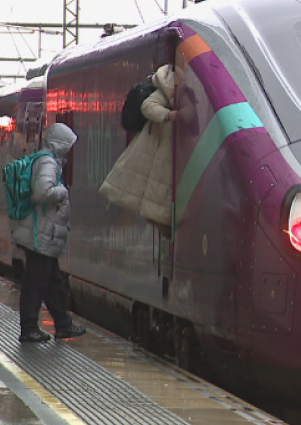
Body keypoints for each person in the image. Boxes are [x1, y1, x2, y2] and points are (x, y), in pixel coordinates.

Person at [11, 122, 86, 342]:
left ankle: (63, 324)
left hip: (44, 233)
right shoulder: (47, 162)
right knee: (36, 284)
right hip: (40, 233)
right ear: (61, 144)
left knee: (53, 283)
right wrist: (62, 192)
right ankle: (29, 328)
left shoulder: (46, 160)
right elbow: (41, 192)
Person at [99, 64, 177, 231]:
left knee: (158, 192)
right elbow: (148, 106)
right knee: (158, 191)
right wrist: (169, 115)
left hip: (164, 148)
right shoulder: (169, 85)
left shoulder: (174, 83)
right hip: (161, 147)